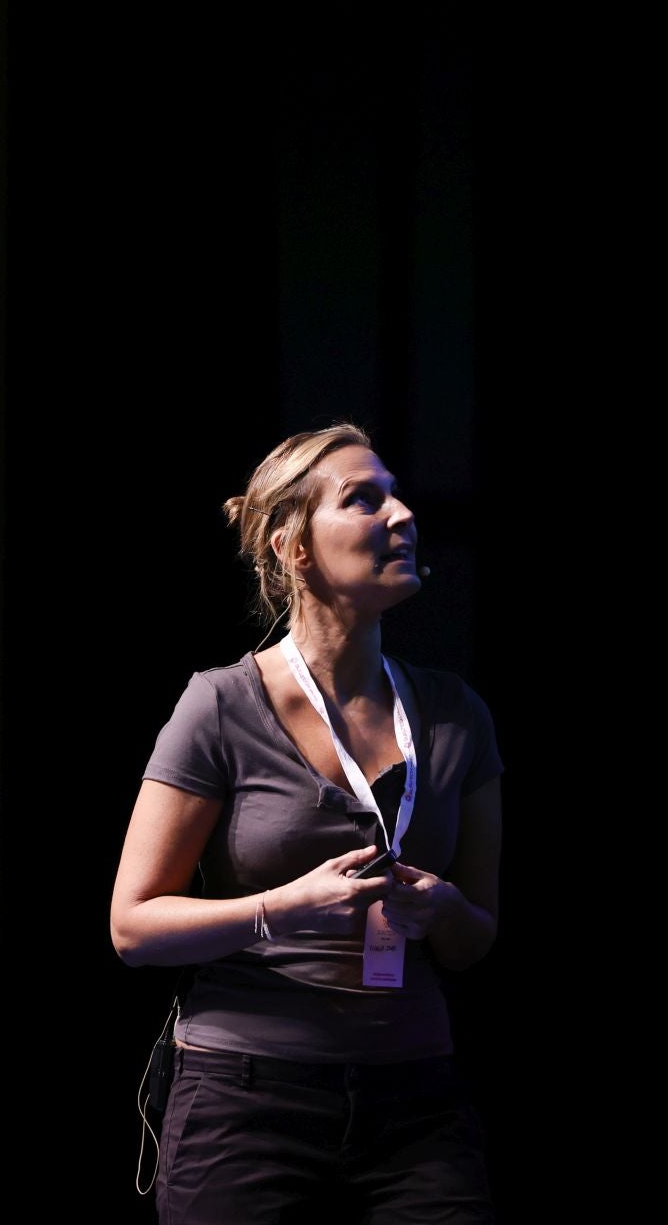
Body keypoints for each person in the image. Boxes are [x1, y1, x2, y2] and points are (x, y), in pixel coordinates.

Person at [111, 422, 503, 1223]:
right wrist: (285, 908)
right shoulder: (221, 705)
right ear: (295, 549)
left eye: (396, 495)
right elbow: (133, 927)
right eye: (364, 500)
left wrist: (444, 909)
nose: (401, 516)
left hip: (416, 1104)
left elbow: (476, 938)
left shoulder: (456, 715)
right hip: (248, 1102)